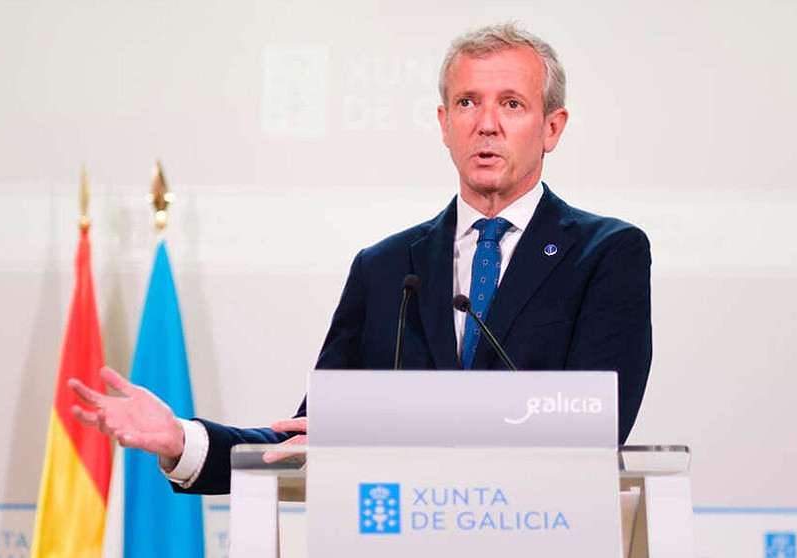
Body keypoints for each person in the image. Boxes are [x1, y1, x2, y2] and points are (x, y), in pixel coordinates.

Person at [70, 23, 652, 495]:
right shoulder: (385, 269)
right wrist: (183, 439)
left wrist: (389, 430)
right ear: (444, 124)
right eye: (467, 102)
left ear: (553, 128)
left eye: (512, 104)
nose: (487, 123)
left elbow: (596, 426)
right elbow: (309, 437)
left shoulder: (606, 255)